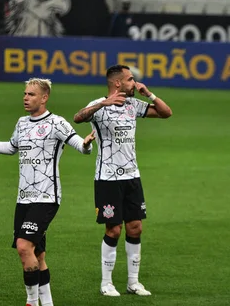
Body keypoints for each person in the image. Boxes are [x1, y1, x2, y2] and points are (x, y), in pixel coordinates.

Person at [0, 78, 95, 306]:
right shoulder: (22, 123)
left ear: (44, 97)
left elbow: (81, 146)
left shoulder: (56, 123)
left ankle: (31, 301)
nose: (25, 98)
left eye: (31, 94)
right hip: (23, 199)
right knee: (38, 255)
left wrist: (87, 144)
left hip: (47, 197)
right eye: (25, 94)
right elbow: (11, 148)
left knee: (23, 247)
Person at [73, 64, 173, 297]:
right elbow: (77, 118)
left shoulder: (132, 105)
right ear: (117, 83)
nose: (133, 83)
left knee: (135, 228)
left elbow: (166, 113)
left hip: (132, 176)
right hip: (107, 178)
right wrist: (102, 104)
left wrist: (149, 94)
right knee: (114, 229)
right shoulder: (98, 106)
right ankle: (106, 283)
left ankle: (133, 283)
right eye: (130, 80)